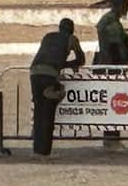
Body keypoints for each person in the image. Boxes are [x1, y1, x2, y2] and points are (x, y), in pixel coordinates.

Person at [28, 19, 85, 158]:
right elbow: (81, 60)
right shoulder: (71, 39)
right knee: (48, 113)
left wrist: (59, 64)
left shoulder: (47, 36)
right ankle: (44, 152)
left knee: (39, 111)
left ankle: (36, 150)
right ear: (72, 29)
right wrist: (65, 65)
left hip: (34, 72)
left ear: (59, 28)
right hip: (50, 75)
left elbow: (46, 55)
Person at [93, 0, 128, 68]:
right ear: (121, 6)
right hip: (111, 64)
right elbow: (118, 45)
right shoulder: (112, 23)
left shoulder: (108, 19)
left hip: (105, 62)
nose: (127, 9)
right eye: (126, 6)